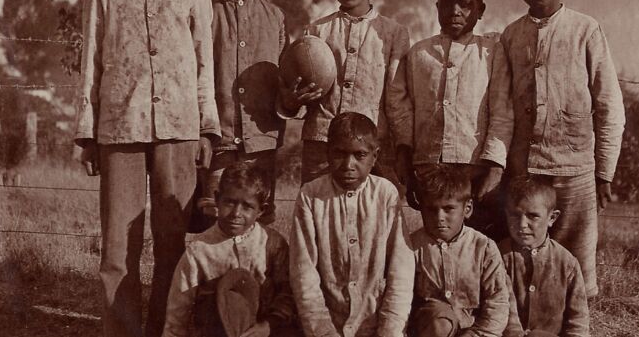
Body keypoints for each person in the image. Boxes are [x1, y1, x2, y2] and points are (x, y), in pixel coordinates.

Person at [74, 0, 220, 337]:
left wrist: (207, 127)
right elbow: (91, 64)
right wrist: (88, 133)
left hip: (179, 128)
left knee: (172, 244)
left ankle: (166, 330)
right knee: (118, 249)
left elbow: (203, 63)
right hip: (119, 127)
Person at [500, 0, 626, 297]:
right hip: (527, 170)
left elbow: (609, 104)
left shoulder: (586, 30)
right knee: (528, 258)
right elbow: (502, 109)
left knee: (578, 266)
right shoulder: (511, 37)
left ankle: (578, 322)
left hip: (576, 171)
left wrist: (604, 172)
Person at [391, 0, 513, 239]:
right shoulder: (418, 53)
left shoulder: (491, 53)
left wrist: (494, 166)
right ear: (437, 7)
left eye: (465, 4)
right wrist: (404, 152)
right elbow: (401, 105)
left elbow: (502, 110)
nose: (455, 11)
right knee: (436, 235)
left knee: (476, 239)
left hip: (474, 169)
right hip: (428, 166)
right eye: (448, 3)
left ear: (480, 10)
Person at [278, 0, 410, 186]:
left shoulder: (393, 33)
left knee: (371, 215)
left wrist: (402, 147)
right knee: (320, 206)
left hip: (371, 145)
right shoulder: (316, 31)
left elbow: (397, 98)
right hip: (322, 143)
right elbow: (299, 92)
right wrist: (296, 99)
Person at [192, 0, 288, 230]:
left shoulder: (275, 17)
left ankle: (255, 278)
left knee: (257, 217)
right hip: (217, 139)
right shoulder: (203, 11)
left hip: (261, 142)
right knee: (216, 214)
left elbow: (285, 79)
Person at [289, 112, 414, 336]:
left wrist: (389, 330)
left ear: (375, 157)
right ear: (328, 153)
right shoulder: (311, 195)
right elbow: (303, 273)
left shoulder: (385, 194)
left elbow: (401, 269)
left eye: (360, 155)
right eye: (339, 154)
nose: (348, 164)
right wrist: (323, 331)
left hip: (376, 324)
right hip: (326, 324)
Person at [163, 162, 298, 337]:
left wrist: (269, 325)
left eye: (247, 206)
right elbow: (178, 311)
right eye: (229, 203)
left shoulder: (273, 244)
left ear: (261, 210)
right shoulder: (199, 250)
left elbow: (288, 293)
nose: (236, 213)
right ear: (217, 199)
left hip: (264, 329)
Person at [410, 164, 510, 337]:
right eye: (432, 209)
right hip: (432, 328)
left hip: (476, 330)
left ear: (467, 208)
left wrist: (478, 334)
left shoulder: (484, 247)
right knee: (438, 320)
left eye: (448, 209)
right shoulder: (412, 246)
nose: (439, 218)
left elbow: (497, 301)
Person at [501, 176, 589, 337]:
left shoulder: (567, 263)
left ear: (552, 218)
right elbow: (505, 313)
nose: (522, 224)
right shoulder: (498, 256)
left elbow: (578, 323)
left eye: (533, 216)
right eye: (514, 215)